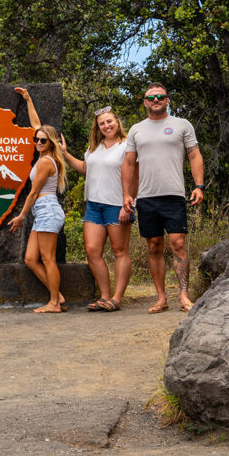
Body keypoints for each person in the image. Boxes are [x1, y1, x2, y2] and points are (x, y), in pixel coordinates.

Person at [121, 83, 204, 313]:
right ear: (145, 102)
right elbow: (128, 163)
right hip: (146, 197)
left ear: (167, 100)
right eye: (151, 97)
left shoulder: (181, 125)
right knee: (154, 246)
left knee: (178, 243)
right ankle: (161, 298)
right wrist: (127, 194)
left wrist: (199, 186)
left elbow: (194, 155)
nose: (155, 100)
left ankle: (184, 296)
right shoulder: (137, 130)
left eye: (160, 96)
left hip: (174, 195)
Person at [60, 106, 136, 312]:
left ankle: (117, 299)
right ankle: (104, 296)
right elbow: (86, 168)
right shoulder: (95, 146)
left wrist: (128, 204)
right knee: (92, 251)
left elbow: (134, 176)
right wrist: (65, 155)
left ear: (117, 122)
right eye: (102, 123)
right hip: (94, 204)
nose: (106, 125)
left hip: (117, 204)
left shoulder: (127, 145)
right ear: (98, 127)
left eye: (109, 121)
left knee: (120, 251)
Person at [8, 87, 67, 313]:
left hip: (47, 210)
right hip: (42, 213)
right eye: (37, 139)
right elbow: (36, 125)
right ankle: (57, 295)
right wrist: (28, 99)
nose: (38, 141)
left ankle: (54, 303)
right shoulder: (44, 155)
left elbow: (33, 193)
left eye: (43, 140)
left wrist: (21, 216)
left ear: (50, 142)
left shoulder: (45, 162)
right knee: (31, 259)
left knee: (48, 259)